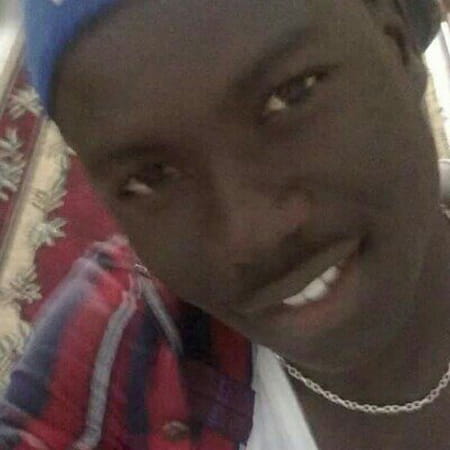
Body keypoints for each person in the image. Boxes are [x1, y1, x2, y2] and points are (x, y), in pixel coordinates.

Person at [0, 0, 448, 448]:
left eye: (291, 95)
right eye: (150, 177)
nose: (250, 235)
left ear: (399, 47)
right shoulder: (109, 364)